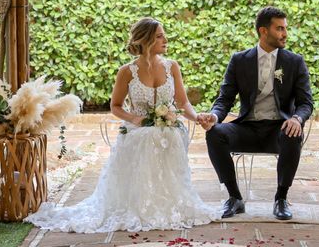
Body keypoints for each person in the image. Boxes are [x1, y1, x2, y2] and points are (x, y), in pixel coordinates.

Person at [26, 18, 219, 232]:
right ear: (145, 40)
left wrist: (197, 117)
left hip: (168, 130)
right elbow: (115, 106)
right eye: (159, 36)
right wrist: (134, 119)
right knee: (144, 138)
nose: (165, 39)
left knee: (168, 136)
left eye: (163, 34)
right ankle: (138, 205)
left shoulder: (172, 67)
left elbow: (183, 103)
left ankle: (165, 204)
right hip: (137, 130)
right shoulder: (127, 72)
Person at [198, 6, 313, 220]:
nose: (285, 34)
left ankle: (281, 198)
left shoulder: (294, 62)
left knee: (292, 132)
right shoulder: (239, 60)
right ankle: (235, 198)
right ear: (263, 31)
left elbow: (306, 103)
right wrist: (213, 117)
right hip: (247, 129)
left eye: (285, 28)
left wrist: (297, 119)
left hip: (278, 130)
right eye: (279, 29)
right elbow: (225, 99)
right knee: (214, 133)